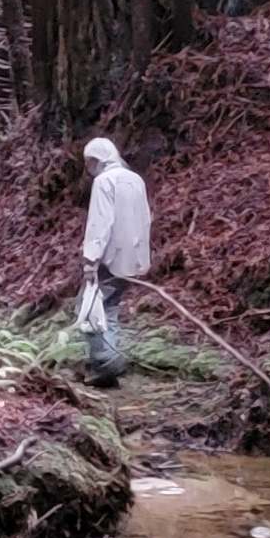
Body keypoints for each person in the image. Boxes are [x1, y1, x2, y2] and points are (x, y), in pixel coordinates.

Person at [77, 135, 150, 384]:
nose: (87, 168)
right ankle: (110, 359)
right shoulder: (135, 179)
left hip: (109, 257)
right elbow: (145, 219)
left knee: (89, 309)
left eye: (88, 162)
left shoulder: (104, 181)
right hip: (133, 256)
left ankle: (106, 364)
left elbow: (100, 222)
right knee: (111, 309)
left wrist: (90, 259)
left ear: (96, 160)